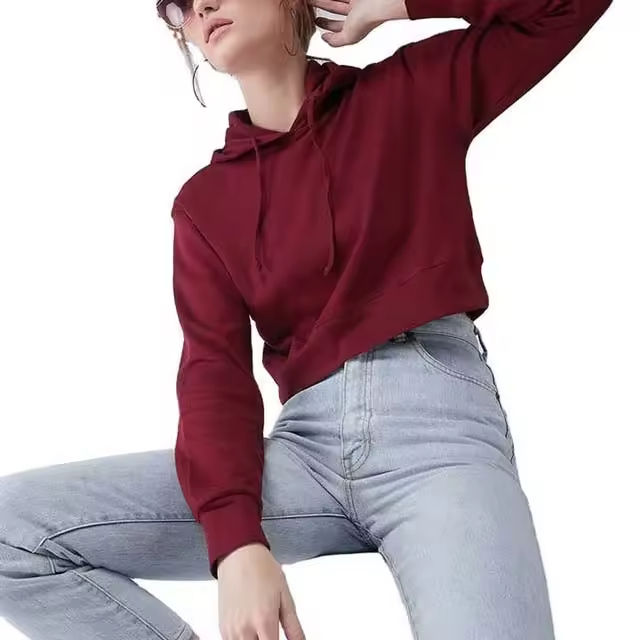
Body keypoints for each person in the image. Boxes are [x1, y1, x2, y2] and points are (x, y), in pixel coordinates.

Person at [0, 0, 613, 638]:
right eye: (178, 4)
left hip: (438, 435)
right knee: (12, 532)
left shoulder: (411, 95)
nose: (200, 5)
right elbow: (214, 376)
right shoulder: (206, 205)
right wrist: (236, 544)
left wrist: (398, 3)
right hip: (303, 455)